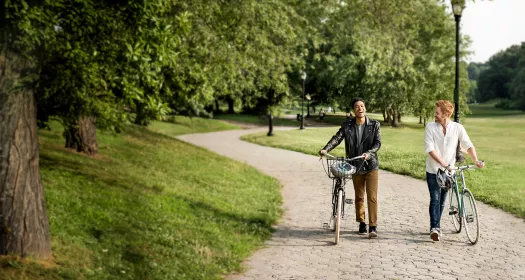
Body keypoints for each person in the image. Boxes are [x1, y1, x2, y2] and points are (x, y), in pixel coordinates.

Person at [319, 98, 381, 238]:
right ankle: (362, 223)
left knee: (372, 197)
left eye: (362, 106)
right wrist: (325, 149)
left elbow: (377, 143)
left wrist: (369, 154)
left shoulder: (374, 124)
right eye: (357, 107)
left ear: (365, 108)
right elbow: (337, 137)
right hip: (355, 165)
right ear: (354, 110)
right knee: (359, 197)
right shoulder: (347, 125)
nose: (360, 108)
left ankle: (373, 226)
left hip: (371, 165)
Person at [424, 100, 484, 242]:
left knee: (442, 200)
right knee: (435, 198)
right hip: (433, 170)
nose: (435, 115)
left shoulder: (458, 128)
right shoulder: (430, 127)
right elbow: (430, 149)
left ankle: (435, 224)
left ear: (446, 114)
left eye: (437, 113)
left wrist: (476, 160)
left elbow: (468, 145)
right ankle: (435, 228)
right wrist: (444, 163)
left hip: (448, 172)